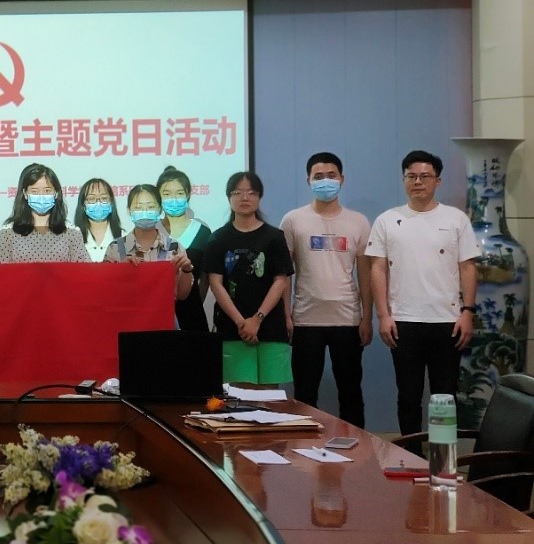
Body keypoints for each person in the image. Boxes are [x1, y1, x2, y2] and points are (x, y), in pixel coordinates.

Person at [367, 150, 479, 437]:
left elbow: (467, 268)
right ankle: (412, 455)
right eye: (412, 176)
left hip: (447, 321)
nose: (418, 182)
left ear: (437, 181)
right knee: (408, 395)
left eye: (425, 176)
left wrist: (468, 312)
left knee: (445, 396)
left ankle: (443, 454)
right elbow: (377, 268)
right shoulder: (387, 220)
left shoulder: (455, 219)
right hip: (403, 321)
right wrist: (383, 315)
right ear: (404, 180)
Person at [281, 152, 372, 428]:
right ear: (308, 180)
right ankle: (304, 450)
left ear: (342, 179)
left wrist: (367, 317)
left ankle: (357, 447)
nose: (325, 181)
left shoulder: (358, 221)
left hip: (348, 319)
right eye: (318, 176)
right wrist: (286, 315)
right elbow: (284, 275)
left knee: (351, 393)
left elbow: (365, 273)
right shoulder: (293, 220)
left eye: (331, 176)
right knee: (305, 395)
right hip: (306, 320)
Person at [203, 171, 294, 384]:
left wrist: (257, 319)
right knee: (239, 394)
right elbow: (215, 283)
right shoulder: (218, 238)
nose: (244, 198)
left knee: (270, 396)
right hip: (232, 328)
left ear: (259, 197)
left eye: (251, 192)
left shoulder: (274, 237)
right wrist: (242, 323)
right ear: (229, 197)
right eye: (237, 192)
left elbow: (281, 280)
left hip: (270, 326)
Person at [103, 184, 196, 302]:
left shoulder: (174, 247)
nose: (145, 212)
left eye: (151, 207)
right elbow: (105, 291)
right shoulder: (115, 248)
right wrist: (120, 271)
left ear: (160, 210)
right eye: (138, 207)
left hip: (163, 312)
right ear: (129, 211)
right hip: (126, 312)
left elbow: (182, 295)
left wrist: (187, 269)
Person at [0, 164, 90, 264]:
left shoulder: (72, 233)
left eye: (47, 191)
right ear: (25, 194)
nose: (41, 196)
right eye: (34, 191)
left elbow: (84, 270)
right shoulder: (7, 233)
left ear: (56, 193)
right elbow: (0, 272)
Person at [157, 166, 211, 332]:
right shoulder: (151, 231)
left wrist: (195, 300)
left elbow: (205, 278)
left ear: (188, 194)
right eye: (167, 194)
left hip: (192, 313)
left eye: (179, 193)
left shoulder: (202, 231)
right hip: (157, 313)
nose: (173, 199)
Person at [74, 177, 123, 263]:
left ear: (111, 203)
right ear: (83, 205)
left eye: (104, 198)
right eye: (91, 199)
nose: (98, 203)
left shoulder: (123, 237)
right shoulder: (73, 238)